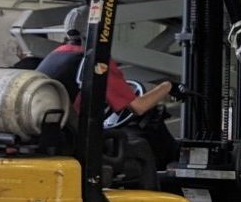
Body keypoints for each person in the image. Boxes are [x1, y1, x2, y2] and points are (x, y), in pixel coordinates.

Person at [36, 7, 174, 121]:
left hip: (49, 127)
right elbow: (139, 107)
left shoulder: (57, 53)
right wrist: (167, 86)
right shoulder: (96, 62)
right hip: (69, 135)